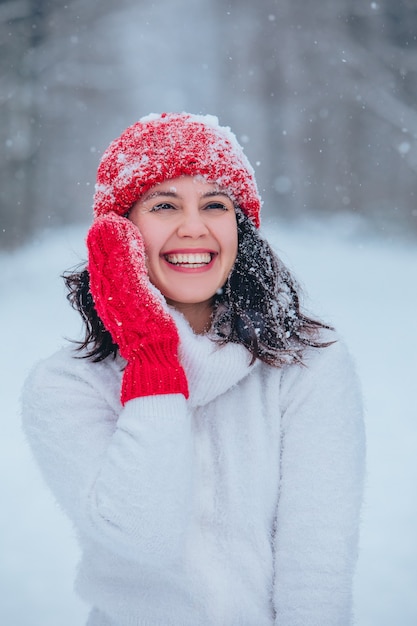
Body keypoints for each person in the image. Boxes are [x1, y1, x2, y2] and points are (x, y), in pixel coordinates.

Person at [21, 112, 365, 626]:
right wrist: (152, 358)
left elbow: (317, 572)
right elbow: (143, 539)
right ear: (120, 235)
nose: (194, 227)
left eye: (214, 204)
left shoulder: (306, 366)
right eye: (164, 205)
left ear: (239, 228)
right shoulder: (66, 385)